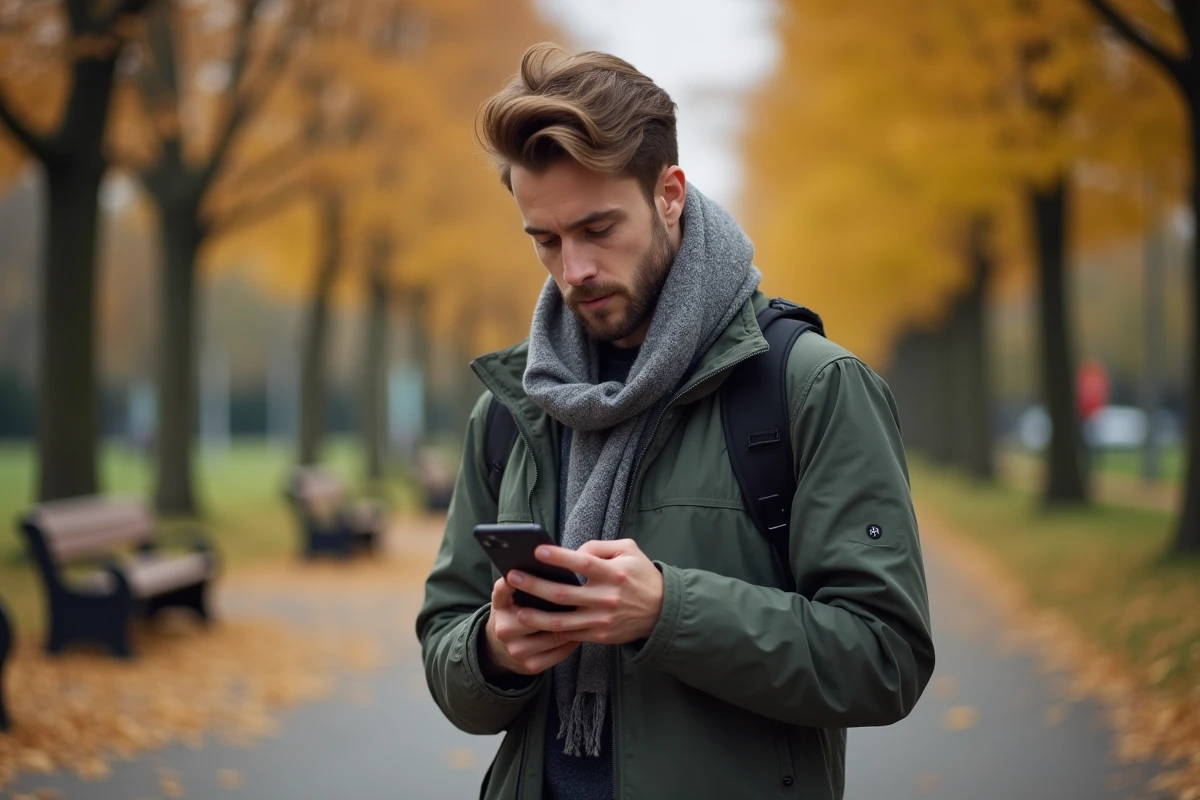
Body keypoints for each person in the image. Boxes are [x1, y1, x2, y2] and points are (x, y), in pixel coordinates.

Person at [416, 42, 935, 800]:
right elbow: (446, 649)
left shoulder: (811, 386)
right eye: (546, 240)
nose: (573, 270)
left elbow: (886, 659)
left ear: (669, 194)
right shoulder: (510, 409)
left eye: (598, 228)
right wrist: (493, 650)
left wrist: (670, 611)